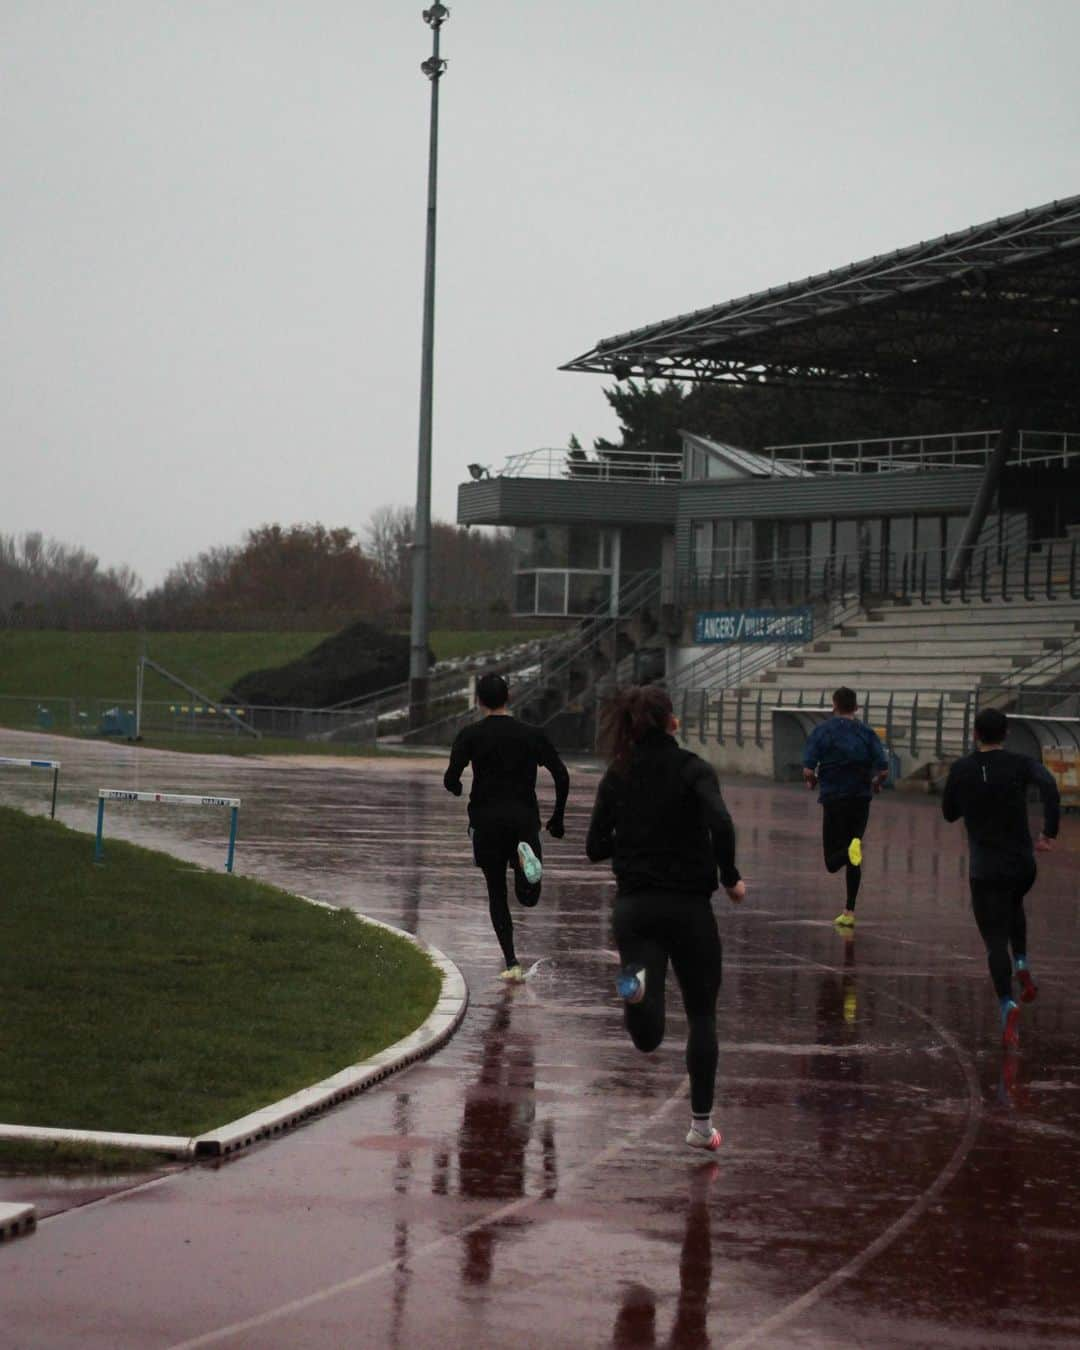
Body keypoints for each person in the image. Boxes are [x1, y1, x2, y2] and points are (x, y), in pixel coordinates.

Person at [585, 685, 745, 1152]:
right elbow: (721, 822)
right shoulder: (694, 768)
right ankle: (700, 1126)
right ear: (672, 721)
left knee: (647, 1034)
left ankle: (631, 990)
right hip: (690, 909)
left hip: (635, 908)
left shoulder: (618, 773)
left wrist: (636, 840)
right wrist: (730, 876)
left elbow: (595, 847)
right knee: (702, 1014)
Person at [942, 706, 1059, 1050]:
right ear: (1006, 734)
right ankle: (1021, 960)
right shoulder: (1021, 764)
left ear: (975, 734)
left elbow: (949, 814)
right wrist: (1048, 832)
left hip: (985, 868)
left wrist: (971, 798)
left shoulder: (962, 769)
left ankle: (1006, 1001)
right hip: (1022, 865)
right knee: (1014, 902)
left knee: (994, 937)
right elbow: (1049, 785)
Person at [444, 672, 569, 982]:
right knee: (529, 897)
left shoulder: (470, 735)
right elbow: (561, 775)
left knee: (496, 894)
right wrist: (558, 817)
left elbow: (450, 779)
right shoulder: (532, 734)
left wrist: (459, 788)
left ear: (478, 701)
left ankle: (512, 962)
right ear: (508, 697)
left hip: (486, 822)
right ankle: (523, 860)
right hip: (523, 819)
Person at [802, 687, 889, 928]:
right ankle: (849, 912)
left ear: (834, 706)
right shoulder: (867, 733)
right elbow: (883, 770)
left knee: (832, 862)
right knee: (855, 855)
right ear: (856, 707)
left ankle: (849, 850)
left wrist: (811, 781)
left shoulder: (822, 732)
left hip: (834, 798)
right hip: (860, 798)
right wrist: (876, 784)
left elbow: (808, 769)